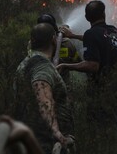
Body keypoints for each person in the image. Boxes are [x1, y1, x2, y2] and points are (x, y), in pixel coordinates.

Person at [57, 0, 117, 127]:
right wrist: (74, 36)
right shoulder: (113, 32)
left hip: (101, 92)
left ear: (87, 17)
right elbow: (98, 39)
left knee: (98, 127)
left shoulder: (91, 34)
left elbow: (93, 66)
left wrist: (66, 66)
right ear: (104, 14)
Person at [13, 23, 75, 153]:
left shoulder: (25, 62)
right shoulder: (42, 65)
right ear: (53, 39)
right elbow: (42, 91)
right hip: (47, 143)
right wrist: (56, 132)